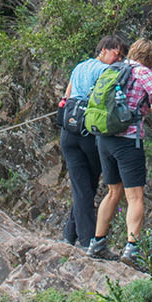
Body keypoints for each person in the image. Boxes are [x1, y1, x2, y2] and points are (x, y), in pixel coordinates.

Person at [88, 39, 152, 269]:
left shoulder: (115, 69)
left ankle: (97, 243)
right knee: (135, 196)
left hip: (104, 137)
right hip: (128, 140)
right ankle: (132, 248)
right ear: (150, 58)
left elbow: (130, 104)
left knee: (113, 192)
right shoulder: (144, 72)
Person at [59, 35, 127, 249]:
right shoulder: (105, 71)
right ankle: (88, 241)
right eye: (117, 54)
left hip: (68, 133)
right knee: (86, 188)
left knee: (82, 186)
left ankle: (70, 234)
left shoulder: (79, 67)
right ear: (105, 49)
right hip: (89, 133)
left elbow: (67, 96)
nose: (118, 60)